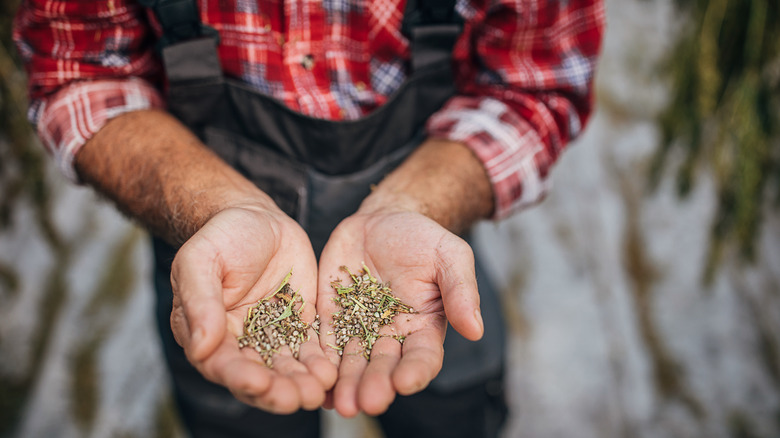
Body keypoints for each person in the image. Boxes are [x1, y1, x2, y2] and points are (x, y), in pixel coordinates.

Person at [13, 0, 604, 436]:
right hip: (224, 279)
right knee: (243, 409)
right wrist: (216, 207)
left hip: (423, 269)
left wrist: (418, 204)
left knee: (451, 412)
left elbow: (537, 87)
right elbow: (82, 73)